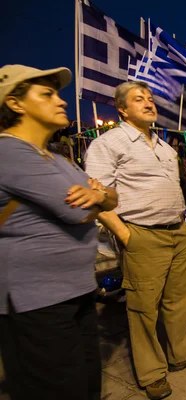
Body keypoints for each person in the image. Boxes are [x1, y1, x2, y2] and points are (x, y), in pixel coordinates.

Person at [85, 81, 186, 400]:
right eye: (138, 99)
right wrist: (125, 234)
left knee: (180, 299)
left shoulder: (164, 146)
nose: (148, 103)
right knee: (144, 307)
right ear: (122, 109)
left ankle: (182, 354)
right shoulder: (109, 143)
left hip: (178, 231)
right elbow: (94, 196)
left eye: (150, 98)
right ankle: (152, 373)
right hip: (142, 233)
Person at [0, 64, 118, 400]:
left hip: (74, 292)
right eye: (47, 94)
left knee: (84, 385)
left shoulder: (56, 158)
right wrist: (98, 197)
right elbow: (75, 211)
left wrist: (100, 195)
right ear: (15, 103)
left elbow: (111, 196)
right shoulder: (8, 151)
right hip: (36, 301)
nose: (61, 101)